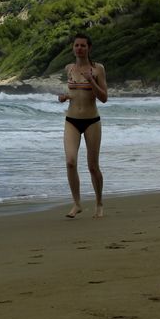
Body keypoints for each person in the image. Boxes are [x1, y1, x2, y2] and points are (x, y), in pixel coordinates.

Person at [57, 33, 108, 218]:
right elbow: (71, 92)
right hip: (71, 120)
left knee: (93, 166)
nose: (79, 48)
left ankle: (99, 203)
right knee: (70, 162)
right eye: (76, 45)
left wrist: (91, 80)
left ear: (89, 48)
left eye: (83, 45)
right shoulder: (69, 68)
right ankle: (77, 204)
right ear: (73, 48)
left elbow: (104, 98)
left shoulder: (98, 68)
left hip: (91, 121)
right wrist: (63, 97)